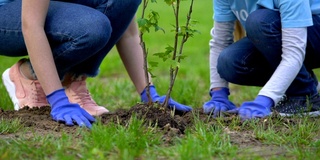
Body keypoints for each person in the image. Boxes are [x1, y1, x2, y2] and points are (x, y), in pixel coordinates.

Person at [0, 0, 192, 128]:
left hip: (50, 11)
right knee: (91, 28)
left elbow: (128, 32)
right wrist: (58, 100)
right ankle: (27, 74)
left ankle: (71, 78)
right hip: (9, 15)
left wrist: (150, 93)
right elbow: (31, 25)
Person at [203, 0, 320, 120]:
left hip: (313, 33)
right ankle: (306, 80)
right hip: (288, 37)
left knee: (260, 21)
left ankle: (304, 96)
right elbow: (220, 42)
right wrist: (218, 94)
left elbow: (293, 53)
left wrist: (264, 99)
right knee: (229, 62)